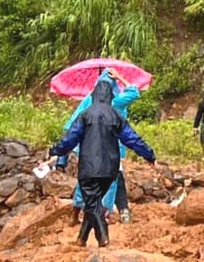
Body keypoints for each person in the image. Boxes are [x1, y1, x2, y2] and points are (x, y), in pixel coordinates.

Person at [50, 78, 157, 248]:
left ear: (94, 95)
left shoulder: (85, 115)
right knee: (94, 201)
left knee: (92, 203)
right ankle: (81, 239)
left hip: (89, 168)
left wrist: (55, 151)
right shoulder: (115, 115)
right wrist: (149, 155)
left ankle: (103, 238)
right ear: (110, 95)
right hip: (110, 170)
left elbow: (70, 139)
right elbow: (132, 139)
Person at [61, 71, 141, 223]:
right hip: (110, 149)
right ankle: (104, 214)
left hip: (88, 148)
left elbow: (73, 123)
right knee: (111, 181)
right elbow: (134, 92)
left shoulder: (88, 101)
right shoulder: (117, 101)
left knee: (85, 180)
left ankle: (76, 213)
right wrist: (120, 77)